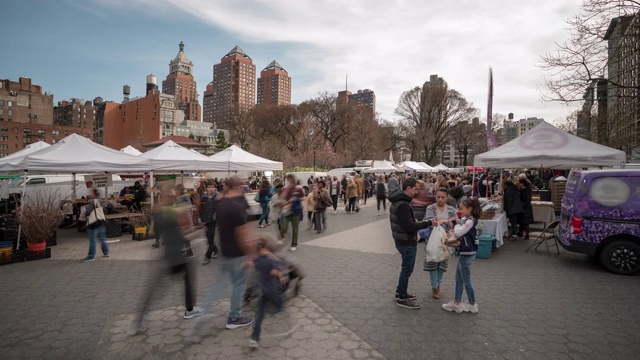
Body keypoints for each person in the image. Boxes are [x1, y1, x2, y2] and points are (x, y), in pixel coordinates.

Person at [128, 184, 205, 335]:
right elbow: (184, 233)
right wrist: (199, 231)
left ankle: (138, 321)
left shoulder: (159, 211)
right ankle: (189, 309)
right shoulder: (173, 211)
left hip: (168, 255)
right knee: (163, 288)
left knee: (156, 290)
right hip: (178, 256)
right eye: (171, 195)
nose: (173, 197)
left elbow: (156, 230)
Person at [389, 178, 437, 309]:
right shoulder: (403, 204)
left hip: (401, 240)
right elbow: (409, 226)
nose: (416, 192)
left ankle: (401, 292)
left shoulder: (398, 201)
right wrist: (428, 223)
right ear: (408, 188)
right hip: (406, 241)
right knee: (406, 270)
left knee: (406, 269)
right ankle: (401, 297)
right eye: (415, 189)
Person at [215, 177, 256, 329]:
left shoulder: (221, 203)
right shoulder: (235, 207)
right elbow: (242, 234)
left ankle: (232, 313)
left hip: (225, 251)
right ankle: (234, 318)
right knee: (239, 285)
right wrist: (251, 255)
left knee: (233, 283)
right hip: (238, 253)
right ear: (238, 186)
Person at [442, 198, 482, 314]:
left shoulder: (470, 221)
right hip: (466, 252)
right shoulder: (469, 220)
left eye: (461, 209)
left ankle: (471, 303)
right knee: (459, 278)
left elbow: (459, 232)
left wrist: (455, 226)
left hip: (467, 253)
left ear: (469, 209)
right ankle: (457, 302)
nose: (459, 211)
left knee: (466, 279)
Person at [248, 234, 285, 348]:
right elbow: (276, 272)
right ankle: (277, 309)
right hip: (273, 289)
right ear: (267, 246)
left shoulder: (257, 259)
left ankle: (254, 338)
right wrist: (281, 276)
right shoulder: (271, 259)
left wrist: (248, 264)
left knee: (260, 313)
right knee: (279, 304)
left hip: (263, 289)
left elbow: (253, 265)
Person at [423, 188, 457, 299]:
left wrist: (443, 221)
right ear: (435, 196)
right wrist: (445, 221)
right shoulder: (430, 208)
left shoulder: (451, 209)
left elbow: (455, 223)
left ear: (447, 197)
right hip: (432, 240)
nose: (440, 199)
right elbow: (430, 222)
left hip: (446, 241)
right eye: (438, 197)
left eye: (443, 197)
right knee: (433, 262)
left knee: (443, 264)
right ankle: (434, 286)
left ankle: (438, 284)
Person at [277, 174, 305, 251]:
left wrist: (296, 199)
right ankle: (282, 238)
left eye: (291, 179)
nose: (290, 180)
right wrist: (280, 202)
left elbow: (303, 198)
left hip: (296, 211)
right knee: (283, 227)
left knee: (295, 229)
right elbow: (280, 198)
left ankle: (294, 244)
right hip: (286, 210)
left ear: (294, 179)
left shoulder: (298, 188)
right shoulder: (284, 188)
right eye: (288, 179)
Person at [82, 189, 109, 262]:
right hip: (101, 221)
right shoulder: (102, 201)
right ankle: (105, 252)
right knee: (102, 238)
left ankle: (91, 256)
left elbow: (88, 211)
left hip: (94, 222)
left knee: (92, 240)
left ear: (94, 194)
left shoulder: (93, 202)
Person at [201, 181, 220, 264]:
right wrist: (201, 220)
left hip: (214, 221)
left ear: (215, 188)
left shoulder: (217, 196)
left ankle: (207, 257)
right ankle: (216, 250)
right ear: (206, 188)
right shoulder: (204, 197)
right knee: (209, 239)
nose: (211, 189)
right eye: (209, 187)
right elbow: (201, 209)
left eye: (212, 187)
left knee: (210, 238)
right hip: (206, 220)